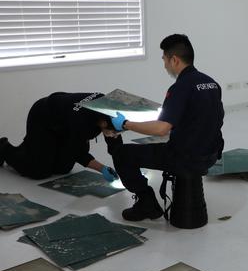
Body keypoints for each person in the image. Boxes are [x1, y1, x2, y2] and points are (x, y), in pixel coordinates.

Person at [107, 34, 224, 221]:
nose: (164, 65)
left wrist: (125, 124)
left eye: (164, 59)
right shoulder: (211, 83)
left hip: (186, 158)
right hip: (211, 154)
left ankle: (146, 204)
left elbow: (161, 129)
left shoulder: (180, 87)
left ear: (174, 59)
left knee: (122, 154)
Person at [0, 92, 118, 181]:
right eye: (113, 131)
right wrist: (102, 169)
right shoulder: (81, 121)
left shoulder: (108, 110)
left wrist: (122, 166)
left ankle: (31, 148)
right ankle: (4, 147)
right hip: (43, 118)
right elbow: (77, 152)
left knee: (63, 168)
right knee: (39, 171)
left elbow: (116, 145)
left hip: (64, 124)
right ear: (103, 123)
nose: (114, 134)